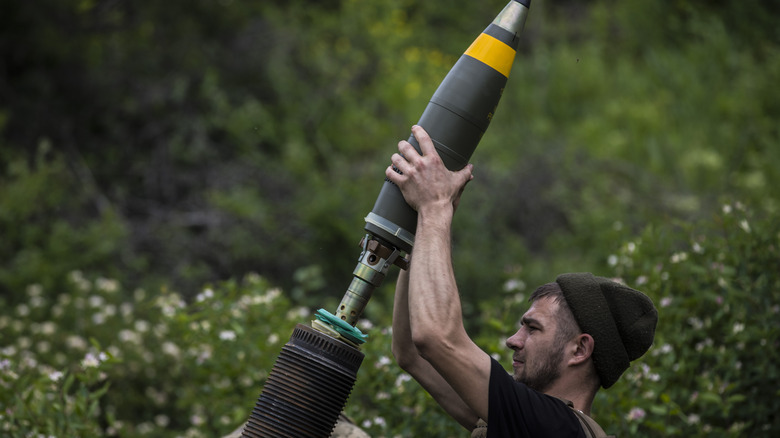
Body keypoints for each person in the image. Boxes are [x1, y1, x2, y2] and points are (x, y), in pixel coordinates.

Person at [387, 125, 658, 437]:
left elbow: (436, 338)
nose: (513, 340)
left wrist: (434, 207)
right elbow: (410, 352)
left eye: (533, 328)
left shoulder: (557, 427)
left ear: (580, 349)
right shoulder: (524, 422)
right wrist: (423, 227)